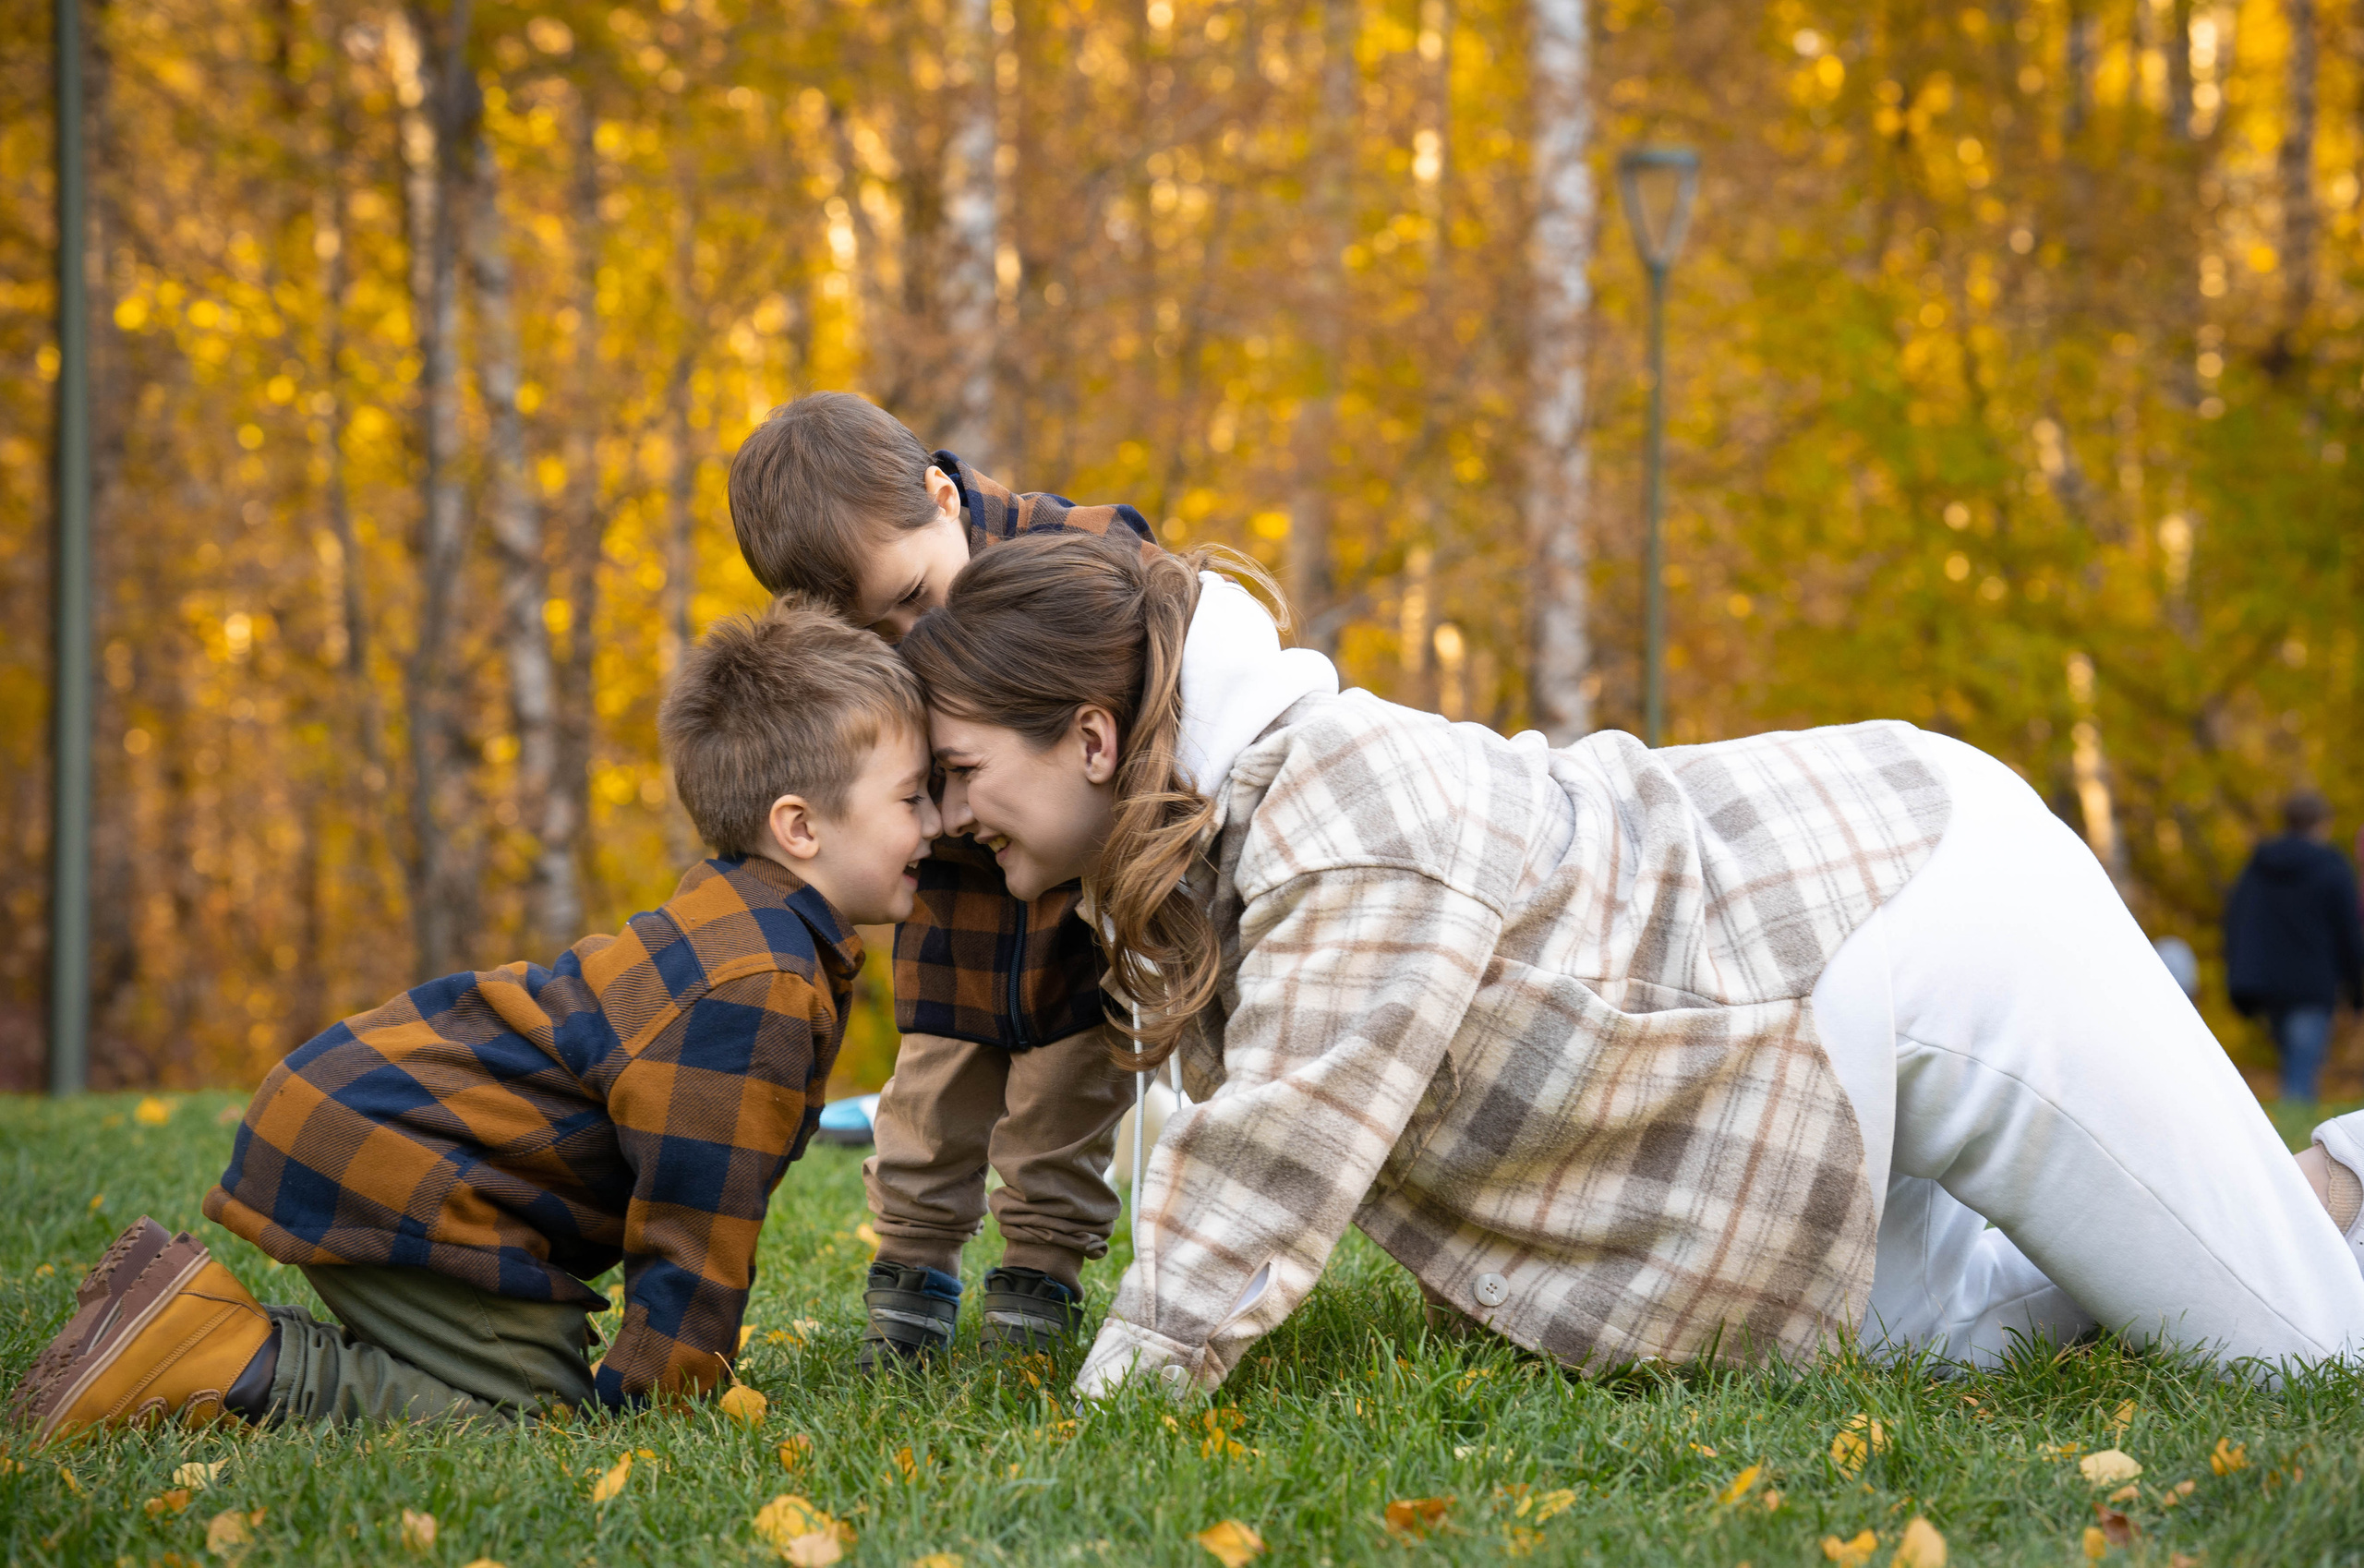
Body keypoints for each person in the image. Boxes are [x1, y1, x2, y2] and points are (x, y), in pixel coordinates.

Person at [897, 532, 2364, 1399]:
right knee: (1969, 1337)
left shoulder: (1341, 820)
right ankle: (2265, 1193)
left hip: (1920, 926)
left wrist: (1114, 1406)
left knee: (2305, 1348)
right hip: (1773, 1089)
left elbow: (1268, 1165)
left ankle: (2323, 1177)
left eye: (962, 771)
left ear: (1092, 738)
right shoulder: (1223, 832)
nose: (953, 817)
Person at [9, 599, 940, 1441]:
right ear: (799, 826)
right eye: (911, 797)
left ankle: (169, 1313)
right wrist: (667, 1402)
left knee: (515, 1364)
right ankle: (231, 1360)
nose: (937, 823)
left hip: (380, 1143)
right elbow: (694, 1224)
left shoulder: (746, 930)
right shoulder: (755, 982)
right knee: (532, 1412)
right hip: (396, 1166)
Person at [726, 391, 1154, 1368]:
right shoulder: (855, 649)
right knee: (925, 1115)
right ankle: (908, 1306)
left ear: (940, 495)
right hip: (957, 903)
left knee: (1061, 1116)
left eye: (920, 593)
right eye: (885, 626)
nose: (917, 635)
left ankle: (1034, 1308)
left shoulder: (1075, 556)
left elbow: (1152, 623)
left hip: (1079, 907)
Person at [2225, 790, 2364, 1104]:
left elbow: (2235, 922)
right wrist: (2357, 990)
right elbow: (2348, 932)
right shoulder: (2332, 867)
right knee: (2301, 1072)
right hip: (2311, 985)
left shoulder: (2258, 868)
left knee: (2293, 1065)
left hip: (2267, 984)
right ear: (2322, 823)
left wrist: (2240, 978)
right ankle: (2293, 1143)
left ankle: (2288, 1132)